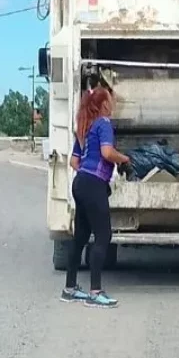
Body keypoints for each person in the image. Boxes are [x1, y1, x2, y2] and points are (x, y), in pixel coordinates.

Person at [62, 84, 130, 308]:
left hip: (79, 182)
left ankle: (70, 288)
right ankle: (95, 292)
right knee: (103, 236)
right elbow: (107, 153)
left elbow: (73, 162)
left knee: (80, 236)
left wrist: (88, 169)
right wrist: (124, 159)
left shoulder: (84, 127)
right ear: (103, 105)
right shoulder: (103, 124)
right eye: (111, 101)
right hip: (93, 185)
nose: (113, 105)